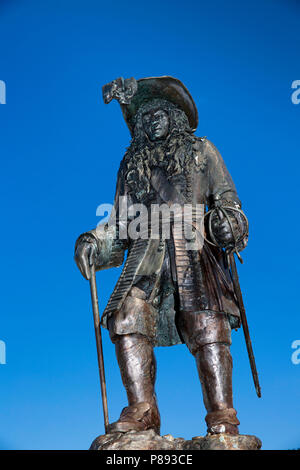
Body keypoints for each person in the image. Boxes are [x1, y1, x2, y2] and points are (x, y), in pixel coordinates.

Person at [74, 76, 248, 436]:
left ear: (175, 116)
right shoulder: (130, 165)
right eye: (145, 116)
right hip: (145, 255)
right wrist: (93, 242)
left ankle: (222, 415)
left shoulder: (202, 152)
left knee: (207, 324)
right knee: (125, 315)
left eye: (160, 113)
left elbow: (229, 202)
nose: (152, 120)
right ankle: (143, 410)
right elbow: (120, 226)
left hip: (195, 250)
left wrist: (228, 224)